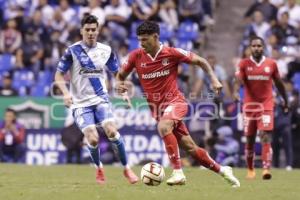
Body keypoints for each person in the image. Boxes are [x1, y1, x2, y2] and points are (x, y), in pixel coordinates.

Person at [116, 21, 240, 187]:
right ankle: (223, 171)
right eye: (140, 40)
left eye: (145, 40)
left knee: (163, 127)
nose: (142, 43)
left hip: (176, 102)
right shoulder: (136, 56)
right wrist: (122, 90)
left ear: (156, 37)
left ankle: (177, 172)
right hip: (158, 110)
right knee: (191, 149)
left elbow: (201, 61)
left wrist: (214, 79)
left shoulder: (171, 53)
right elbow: (120, 77)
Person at [54, 14, 138, 185]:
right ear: (81, 31)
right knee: (92, 139)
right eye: (87, 30)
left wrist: (123, 93)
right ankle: (99, 168)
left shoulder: (106, 51)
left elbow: (117, 75)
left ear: (98, 31)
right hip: (80, 104)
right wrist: (65, 93)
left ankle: (127, 168)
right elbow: (58, 75)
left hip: (101, 100)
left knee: (112, 131)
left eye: (94, 29)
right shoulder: (72, 51)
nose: (91, 32)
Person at [234, 36, 289, 180]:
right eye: (254, 46)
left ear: (263, 48)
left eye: (259, 46)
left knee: (265, 135)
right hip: (250, 106)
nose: (256, 48)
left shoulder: (271, 64)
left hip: (266, 105)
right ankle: (251, 170)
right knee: (250, 139)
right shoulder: (244, 64)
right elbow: (238, 79)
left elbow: (279, 83)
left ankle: (266, 169)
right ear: (250, 48)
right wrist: (234, 91)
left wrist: (285, 99)